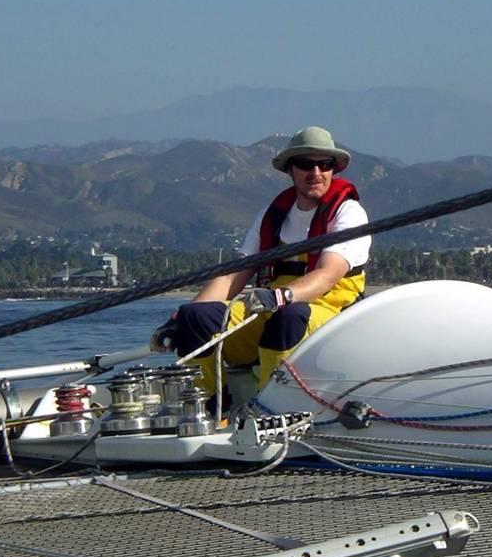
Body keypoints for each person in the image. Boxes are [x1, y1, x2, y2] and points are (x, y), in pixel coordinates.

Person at [157, 125, 370, 396]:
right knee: (195, 316)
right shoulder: (272, 216)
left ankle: (270, 406)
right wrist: (178, 320)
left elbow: (327, 274)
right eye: (305, 164)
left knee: (289, 314)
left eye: (324, 164)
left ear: (333, 169)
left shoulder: (348, 212)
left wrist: (282, 297)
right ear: (290, 170)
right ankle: (208, 406)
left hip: (326, 316)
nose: (316, 173)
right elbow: (233, 276)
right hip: (271, 307)